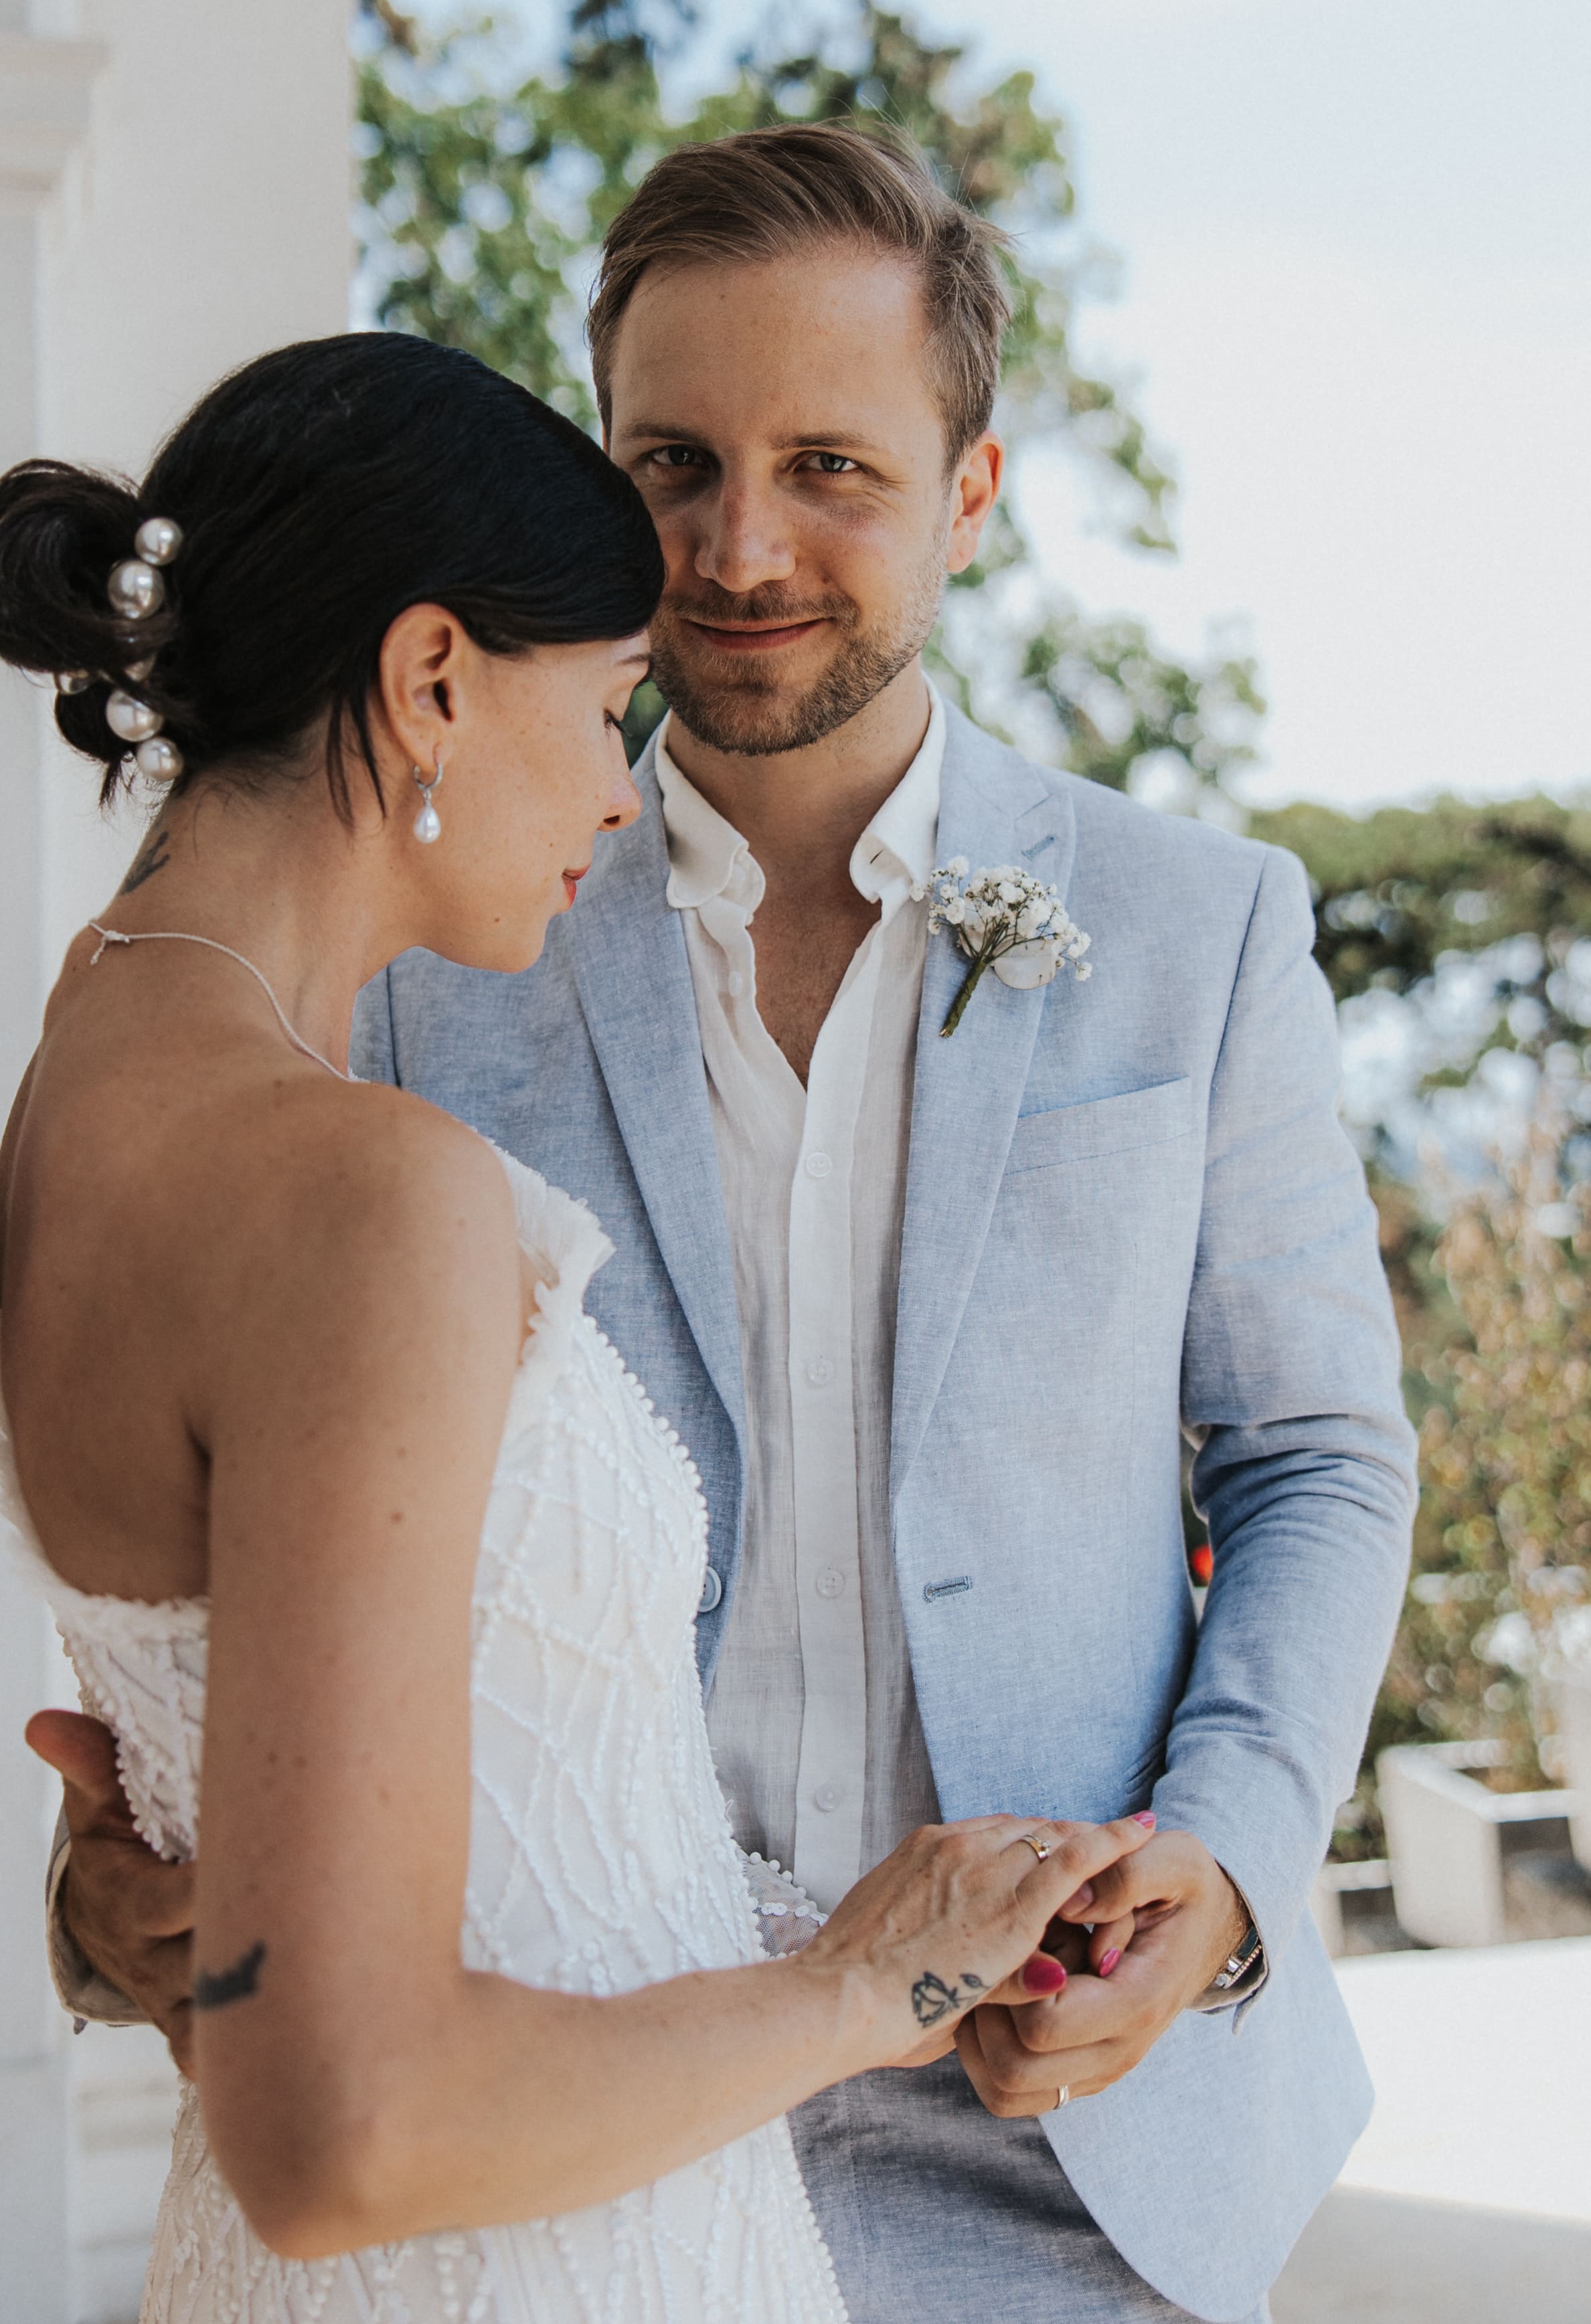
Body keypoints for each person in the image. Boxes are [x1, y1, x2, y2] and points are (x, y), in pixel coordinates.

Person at [39, 126, 1416, 2324]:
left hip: (1070, 2158)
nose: (739, 546)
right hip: (561, 2126)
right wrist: (126, 1882)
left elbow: (1317, 1459)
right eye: (672, 462)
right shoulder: (384, 957)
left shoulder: (1199, 931)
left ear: (970, 497)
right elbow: (229, 1510)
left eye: (831, 470)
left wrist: (1225, 1872)